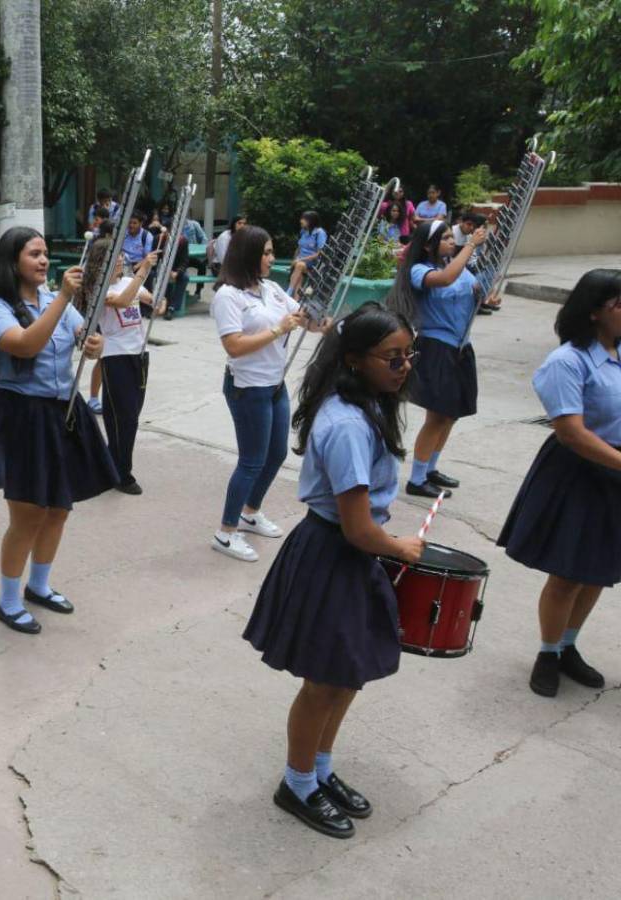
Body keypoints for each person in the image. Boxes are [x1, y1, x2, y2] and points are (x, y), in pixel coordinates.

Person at [244, 302, 422, 839]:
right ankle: (296, 783)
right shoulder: (346, 424)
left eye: (408, 355)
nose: (405, 366)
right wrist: (402, 548)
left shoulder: (366, 406)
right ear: (353, 360)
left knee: (347, 674)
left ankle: (319, 769)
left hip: (350, 556)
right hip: (334, 554)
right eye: (392, 357)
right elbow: (358, 529)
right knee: (323, 683)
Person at [0, 227, 117, 634]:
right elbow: (26, 345)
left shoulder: (54, 301)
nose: (44, 260)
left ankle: (39, 585)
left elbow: (84, 334)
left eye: (45, 253)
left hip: (63, 411)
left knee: (59, 508)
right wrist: (66, 299)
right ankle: (9, 600)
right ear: (12, 260)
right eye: (34, 253)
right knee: (28, 514)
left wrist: (93, 344)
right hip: (22, 416)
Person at [497, 269, 621, 698]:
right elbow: (571, 432)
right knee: (568, 573)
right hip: (580, 471)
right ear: (593, 313)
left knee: (597, 572)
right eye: (620, 304)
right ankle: (548, 652)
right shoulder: (567, 362)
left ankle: (569, 647)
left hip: (615, 473)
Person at [211, 226, 309, 562]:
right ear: (249, 255)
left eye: (271, 252)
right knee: (251, 461)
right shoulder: (228, 296)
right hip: (247, 388)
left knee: (277, 453)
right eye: (266, 253)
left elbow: (303, 316)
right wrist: (278, 329)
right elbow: (234, 346)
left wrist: (322, 316)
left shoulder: (270, 289)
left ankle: (250, 512)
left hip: (275, 384)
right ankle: (225, 533)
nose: (271, 259)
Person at [385, 219, 492, 499]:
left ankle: (430, 468)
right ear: (430, 244)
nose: (450, 241)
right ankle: (417, 479)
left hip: (461, 347)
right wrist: (470, 245)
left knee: (451, 414)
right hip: (437, 347)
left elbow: (473, 287)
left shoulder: (455, 264)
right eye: (445, 238)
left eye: (449, 237)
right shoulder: (420, 270)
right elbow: (445, 281)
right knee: (437, 415)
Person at [88, 242, 161, 494]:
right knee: (126, 416)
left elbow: (154, 302)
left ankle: (109, 462)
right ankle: (123, 473)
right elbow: (121, 301)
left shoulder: (130, 281)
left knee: (125, 414)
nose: (119, 260)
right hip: (115, 355)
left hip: (139, 354)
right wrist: (143, 272)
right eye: (113, 257)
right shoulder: (98, 289)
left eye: (120, 255)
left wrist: (156, 298)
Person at [288, 211, 327, 297]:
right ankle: (296, 300)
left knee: (299, 265)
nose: (301, 221)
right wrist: (294, 260)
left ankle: (288, 292)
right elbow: (299, 248)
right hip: (300, 263)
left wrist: (300, 260)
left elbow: (319, 253)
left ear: (311, 221)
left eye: (304, 219)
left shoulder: (320, 233)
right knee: (299, 273)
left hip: (313, 266)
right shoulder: (303, 231)